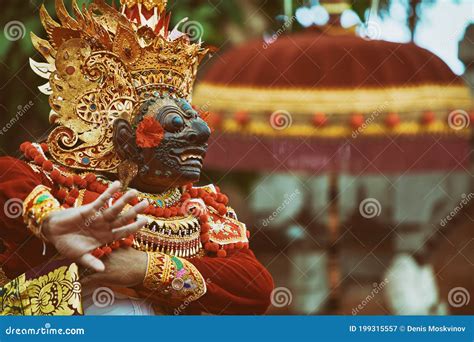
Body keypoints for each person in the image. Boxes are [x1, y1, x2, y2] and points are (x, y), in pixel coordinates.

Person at [0, 0, 273, 316]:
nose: (202, 133)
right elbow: (7, 174)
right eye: (175, 122)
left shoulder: (201, 212)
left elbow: (256, 288)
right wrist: (47, 220)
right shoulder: (66, 189)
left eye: (197, 120)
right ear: (125, 139)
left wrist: (143, 268)